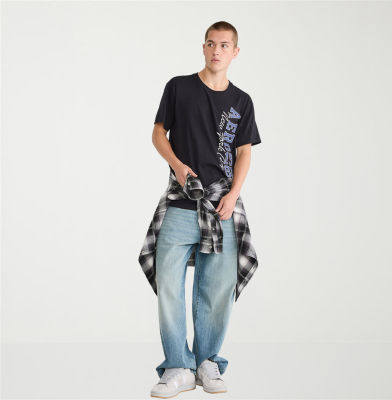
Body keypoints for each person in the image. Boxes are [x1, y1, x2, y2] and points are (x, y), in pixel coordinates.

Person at [142, 21, 262, 399]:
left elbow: (244, 153)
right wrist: (177, 166)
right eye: (211, 43)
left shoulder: (242, 101)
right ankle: (178, 367)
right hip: (180, 202)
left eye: (224, 45)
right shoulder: (178, 87)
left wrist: (234, 194)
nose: (216, 50)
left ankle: (207, 361)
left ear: (235, 52)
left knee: (216, 290)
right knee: (169, 288)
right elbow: (158, 132)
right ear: (204, 47)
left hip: (222, 205)